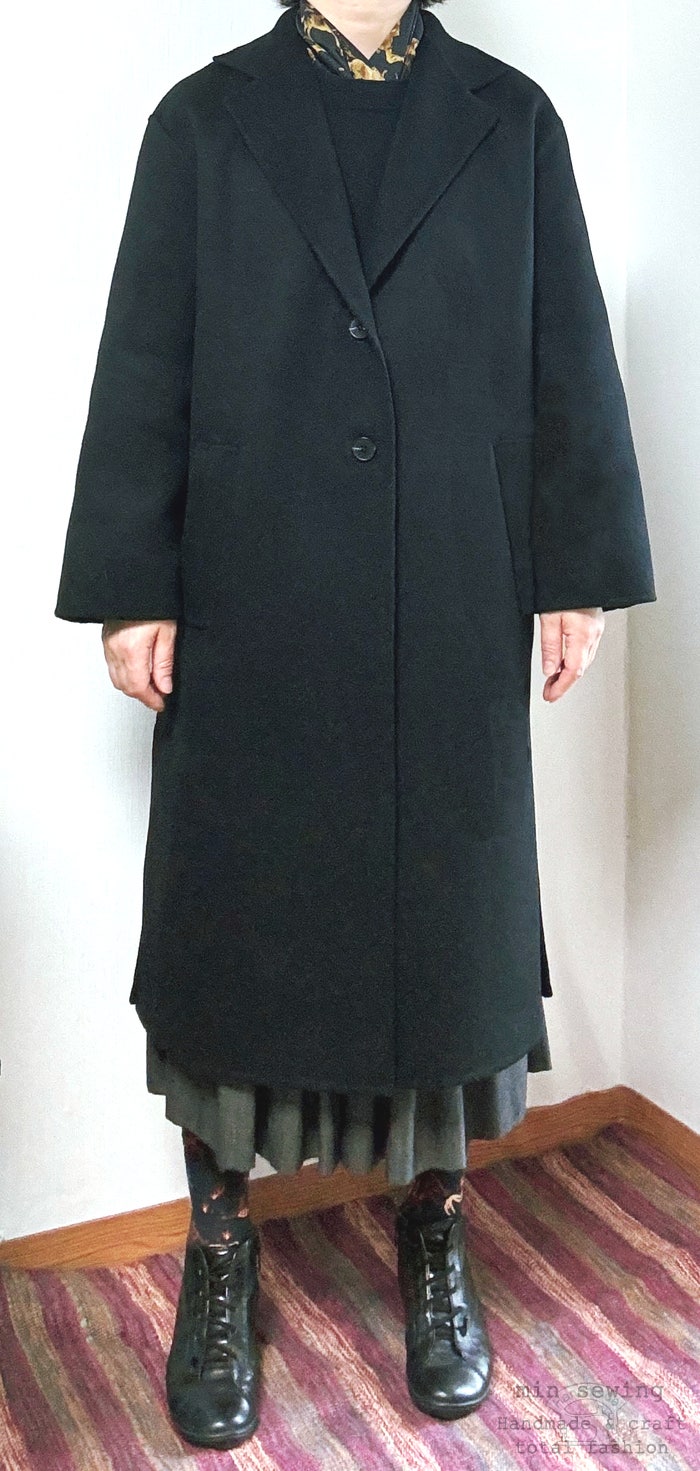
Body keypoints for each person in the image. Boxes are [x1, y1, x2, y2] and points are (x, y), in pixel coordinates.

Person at [54, 0, 656, 1450]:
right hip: (250, 592)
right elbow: (145, 355)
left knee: (444, 929)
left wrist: (574, 572)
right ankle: (220, 1248)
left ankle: (435, 1225)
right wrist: (132, 584)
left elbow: (567, 351)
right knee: (234, 922)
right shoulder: (204, 122)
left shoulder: (512, 123)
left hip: (450, 590)